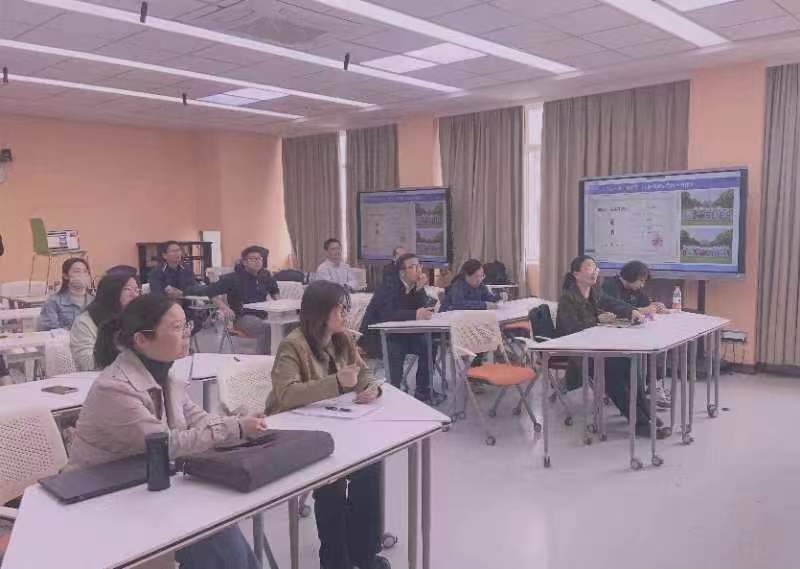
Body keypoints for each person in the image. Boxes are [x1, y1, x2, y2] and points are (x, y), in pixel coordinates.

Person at [67, 294, 266, 569]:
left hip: (149, 486)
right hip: (101, 498)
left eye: (186, 326)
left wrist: (239, 424)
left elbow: (199, 420)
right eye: (176, 327)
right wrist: (236, 428)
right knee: (213, 538)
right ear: (142, 339)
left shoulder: (167, 377)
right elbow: (165, 444)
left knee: (220, 529)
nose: (186, 334)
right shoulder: (114, 388)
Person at [267, 281, 387, 569]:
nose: (346, 314)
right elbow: (286, 394)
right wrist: (336, 383)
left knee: (370, 466)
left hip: (334, 424)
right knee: (331, 480)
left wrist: (372, 388)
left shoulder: (341, 338)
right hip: (294, 430)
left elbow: (363, 373)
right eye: (341, 308)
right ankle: (334, 560)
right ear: (321, 312)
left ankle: (364, 553)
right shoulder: (293, 344)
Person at [557, 255, 670, 439]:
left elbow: (612, 303)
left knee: (630, 362)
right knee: (612, 373)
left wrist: (632, 311)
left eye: (595, 268)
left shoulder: (594, 291)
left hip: (597, 347)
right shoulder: (568, 298)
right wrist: (596, 320)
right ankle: (639, 423)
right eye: (589, 268)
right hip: (579, 351)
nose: (595, 272)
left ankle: (645, 412)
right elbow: (570, 330)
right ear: (576, 274)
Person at [359, 253, 443, 405]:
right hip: (378, 336)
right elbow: (387, 314)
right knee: (395, 347)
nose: (418, 270)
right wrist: (415, 314)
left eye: (419, 266)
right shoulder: (388, 286)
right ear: (402, 272)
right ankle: (394, 391)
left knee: (429, 343)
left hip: (401, 333)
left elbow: (423, 309)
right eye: (413, 267)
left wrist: (419, 290)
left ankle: (423, 390)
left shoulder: (415, 285)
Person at [196, 246, 279, 354]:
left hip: (264, 315)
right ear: (244, 262)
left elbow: (275, 292)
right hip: (242, 317)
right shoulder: (233, 278)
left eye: (259, 258)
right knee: (266, 328)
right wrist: (224, 308)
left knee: (289, 325)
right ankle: (264, 358)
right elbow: (210, 291)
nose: (257, 261)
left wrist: (280, 305)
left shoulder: (265, 275)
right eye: (253, 259)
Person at [70, 273, 140, 371]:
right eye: (127, 289)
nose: (134, 295)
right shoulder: (85, 322)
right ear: (111, 291)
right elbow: (87, 364)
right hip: (99, 376)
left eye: (137, 290)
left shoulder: (137, 318)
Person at [38, 257, 94, 331]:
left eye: (85, 271)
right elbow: (50, 330)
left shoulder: (95, 301)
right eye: (77, 271)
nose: (82, 275)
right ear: (65, 276)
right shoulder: (53, 302)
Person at [601, 260, 668, 314]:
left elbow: (645, 303)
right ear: (632, 275)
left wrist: (656, 306)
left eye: (644, 282)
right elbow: (614, 308)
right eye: (641, 280)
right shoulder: (610, 285)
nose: (642, 285)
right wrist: (639, 310)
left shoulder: (634, 289)